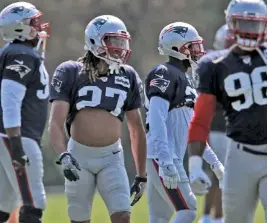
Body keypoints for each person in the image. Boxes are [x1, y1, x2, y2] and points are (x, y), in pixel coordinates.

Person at [48, 15, 147, 223]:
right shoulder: (71, 71)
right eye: (114, 42)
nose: (121, 48)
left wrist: (141, 174)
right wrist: (63, 155)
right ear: (95, 41)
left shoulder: (127, 75)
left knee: (122, 216)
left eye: (122, 42)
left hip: (111, 157)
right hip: (78, 157)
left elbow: (136, 128)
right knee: (79, 219)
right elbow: (56, 122)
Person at [187, 0, 267, 223]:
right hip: (240, 155)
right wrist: (194, 165)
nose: (249, 32)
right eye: (243, 24)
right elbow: (201, 118)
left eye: (255, 26)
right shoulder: (215, 64)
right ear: (231, 23)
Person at [144, 22, 224, 223]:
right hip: (163, 155)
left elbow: (190, 127)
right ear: (177, 48)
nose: (198, 51)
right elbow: (156, 118)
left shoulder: (187, 79)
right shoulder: (164, 72)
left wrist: (214, 162)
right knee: (188, 209)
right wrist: (165, 159)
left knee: (160, 217)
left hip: (169, 155)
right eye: (193, 46)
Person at [0, 2, 50, 223]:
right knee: (33, 202)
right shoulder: (21, 54)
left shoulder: (15, 53)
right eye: (34, 22)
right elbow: (9, 100)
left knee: (3, 203)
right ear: (19, 27)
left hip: (9, 136)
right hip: (17, 136)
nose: (39, 27)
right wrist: (16, 142)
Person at [198, 24, 232, 223]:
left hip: (224, 128)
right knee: (220, 175)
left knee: (218, 175)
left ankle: (210, 216)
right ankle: (214, 217)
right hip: (218, 127)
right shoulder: (216, 65)